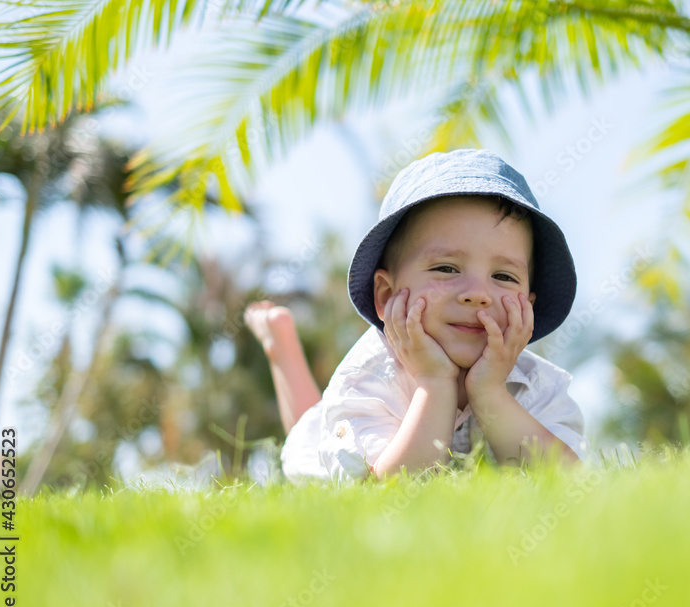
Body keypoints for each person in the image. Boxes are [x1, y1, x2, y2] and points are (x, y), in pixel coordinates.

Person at [244, 148, 599, 483]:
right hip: (325, 446)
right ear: (386, 296)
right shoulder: (367, 379)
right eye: (446, 268)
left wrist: (490, 392)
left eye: (503, 276)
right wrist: (434, 384)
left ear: (528, 307)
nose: (477, 293)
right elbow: (392, 490)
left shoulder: (539, 386)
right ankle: (282, 344)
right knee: (305, 437)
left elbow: (564, 481)